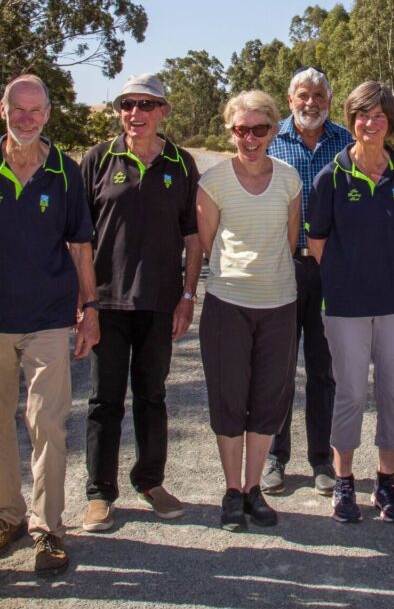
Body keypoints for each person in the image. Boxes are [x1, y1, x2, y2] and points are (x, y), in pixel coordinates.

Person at [0, 74, 99, 577]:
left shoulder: (65, 172)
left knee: (46, 424)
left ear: (48, 114)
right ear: (2, 111)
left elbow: (80, 244)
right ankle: (7, 517)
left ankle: (48, 529)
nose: (27, 119)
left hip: (48, 319)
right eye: (18, 110)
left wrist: (90, 309)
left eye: (36, 111)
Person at [79, 73, 201, 532]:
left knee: (152, 396)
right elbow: (78, 238)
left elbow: (193, 237)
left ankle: (150, 481)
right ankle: (99, 494)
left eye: (146, 105)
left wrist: (187, 296)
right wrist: (85, 302)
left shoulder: (181, 163)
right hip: (106, 303)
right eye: (127, 104)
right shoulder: (97, 159)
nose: (136, 113)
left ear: (163, 111)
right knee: (104, 401)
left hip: (159, 302)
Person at [307, 81, 394, 524]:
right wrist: (348, 273)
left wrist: (380, 266)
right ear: (351, 120)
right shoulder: (331, 176)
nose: (370, 123)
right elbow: (317, 241)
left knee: (392, 391)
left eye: (379, 116)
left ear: (390, 121)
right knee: (351, 393)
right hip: (345, 306)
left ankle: (386, 481)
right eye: (362, 115)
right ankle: (344, 481)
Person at [196, 91, 301, 531]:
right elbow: (208, 243)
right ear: (231, 132)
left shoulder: (290, 179)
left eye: (260, 129)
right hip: (227, 306)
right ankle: (232, 491)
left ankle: (254, 488)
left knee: (267, 400)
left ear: (274, 130)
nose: (251, 138)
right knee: (228, 399)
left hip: (279, 305)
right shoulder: (213, 182)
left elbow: (290, 241)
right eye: (242, 129)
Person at [262, 67, 350, 496]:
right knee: (277, 367)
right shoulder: (269, 139)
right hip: (282, 266)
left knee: (322, 369)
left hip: (330, 271)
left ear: (329, 101)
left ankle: (321, 460)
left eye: (318, 95)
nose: (310, 102)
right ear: (290, 98)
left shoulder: (346, 143)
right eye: (303, 94)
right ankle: (274, 457)